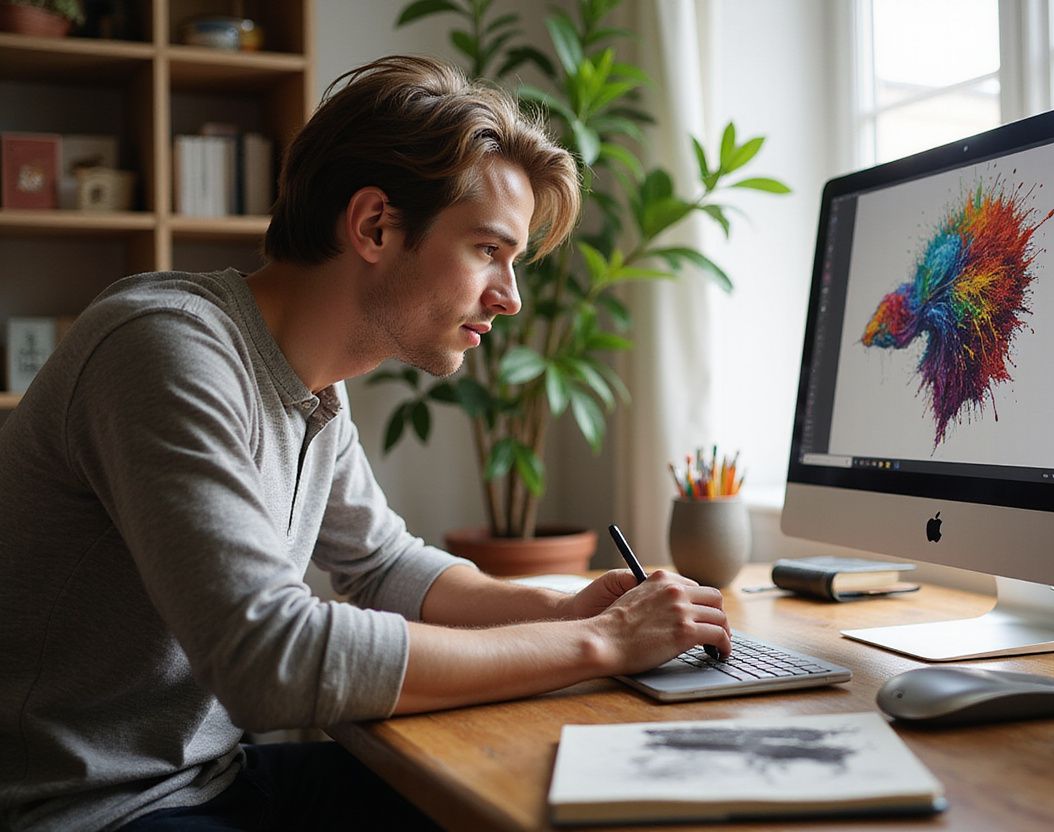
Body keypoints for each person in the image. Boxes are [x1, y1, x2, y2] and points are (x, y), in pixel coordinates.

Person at [0, 56, 732, 831]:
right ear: (375, 225)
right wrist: (599, 644)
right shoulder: (163, 351)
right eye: (489, 250)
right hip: (86, 809)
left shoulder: (313, 386)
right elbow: (271, 657)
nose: (511, 297)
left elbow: (383, 564)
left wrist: (561, 609)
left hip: (211, 777)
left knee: (538, 799)